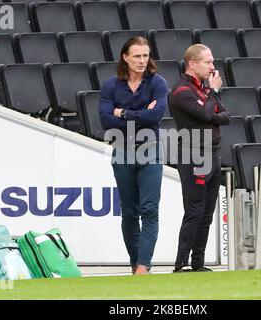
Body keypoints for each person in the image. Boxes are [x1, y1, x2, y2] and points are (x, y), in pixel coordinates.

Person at [99, 36, 168, 275]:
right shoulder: (111, 85)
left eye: (145, 55)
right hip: (122, 149)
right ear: (125, 57)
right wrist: (140, 114)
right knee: (129, 211)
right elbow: (106, 120)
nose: (142, 60)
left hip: (151, 148)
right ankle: (134, 263)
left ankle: (143, 266)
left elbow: (156, 116)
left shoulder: (158, 83)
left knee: (150, 210)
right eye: (137, 56)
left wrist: (124, 113)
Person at [169, 44, 230, 272]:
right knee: (195, 210)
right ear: (192, 64)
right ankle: (181, 263)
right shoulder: (181, 90)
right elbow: (207, 113)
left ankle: (198, 263)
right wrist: (213, 95)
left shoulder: (203, 90)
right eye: (208, 62)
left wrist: (210, 107)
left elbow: (225, 116)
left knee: (206, 213)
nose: (213, 67)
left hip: (213, 153)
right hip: (194, 154)